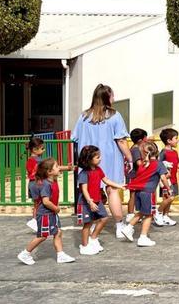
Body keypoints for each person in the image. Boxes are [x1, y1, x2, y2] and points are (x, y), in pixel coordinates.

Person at [71, 84, 134, 241]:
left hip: (87, 160)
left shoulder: (84, 116)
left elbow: (75, 139)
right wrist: (129, 157)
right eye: (112, 96)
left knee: (91, 191)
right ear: (107, 97)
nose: (114, 98)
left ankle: (91, 223)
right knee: (112, 189)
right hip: (110, 159)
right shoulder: (114, 115)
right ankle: (119, 225)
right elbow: (121, 140)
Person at [17, 158, 76, 265]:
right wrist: (56, 208)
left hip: (51, 213)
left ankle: (60, 254)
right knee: (42, 236)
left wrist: (68, 168)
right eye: (57, 167)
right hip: (45, 214)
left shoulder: (52, 180)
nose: (59, 168)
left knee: (58, 232)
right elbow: (46, 201)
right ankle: (25, 253)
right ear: (49, 172)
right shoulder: (46, 184)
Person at [76, 145, 125, 255]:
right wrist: (90, 201)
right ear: (89, 159)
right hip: (86, 203)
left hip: (97, 201)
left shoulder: (98, 169)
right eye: (97, 157)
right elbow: (84, 189)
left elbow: (106, 180)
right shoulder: (84, 173)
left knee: (104, 218)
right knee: (87, 224)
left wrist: (119, 185)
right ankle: (84, 246)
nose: (100, 159)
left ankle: (93, 238)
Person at [121, 142, 172, 247]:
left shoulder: (143, 164)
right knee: (149, 214)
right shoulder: (158, 164)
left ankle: (128, 227)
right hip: (148, 192)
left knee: (142, 212)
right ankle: (143, 237)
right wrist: (168, 188)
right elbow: (163, 178)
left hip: (139, 191)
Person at [157, 128, 179, 226]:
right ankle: (158, 213)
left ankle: (165, 216)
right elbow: (158, 165)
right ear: (169, 140)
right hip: (166, 181)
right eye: (176, 138)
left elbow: (177, 164)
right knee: (168, 198)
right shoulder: (163, 153)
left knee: (171, 199)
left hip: (174, 179)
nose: (178, 140)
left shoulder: (174, 152)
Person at [125, 128, 148, 221]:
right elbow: (139, 163)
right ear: (140, 140)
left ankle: (134, 213)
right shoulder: (135, 150)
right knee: (133, 195)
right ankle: (130, 214)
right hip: (133, 176)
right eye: (145, 138)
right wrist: (147, 163)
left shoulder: (135, 148)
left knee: (135, 194)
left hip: (135, 176)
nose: (146, 140)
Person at [24, 137, 46, 232]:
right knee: (39, 203)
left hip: (33, 184)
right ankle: (35, 221)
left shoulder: (31, 160)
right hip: (37, 184)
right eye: (42, 148)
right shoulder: (37, 161)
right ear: (34, 149)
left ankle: (36, 220)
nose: (43, 150)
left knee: (37, 204)